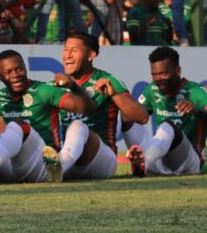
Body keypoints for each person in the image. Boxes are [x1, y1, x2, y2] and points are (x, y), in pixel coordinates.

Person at [0, 50, 95, 183]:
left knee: (18, 126)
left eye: (19, 69)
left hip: (42, 167)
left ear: (25, 68)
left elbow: (86, 108)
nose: (16, 75)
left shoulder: (43, 91)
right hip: (12, 170)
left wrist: (73, 86)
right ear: (0, 76)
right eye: (8, 72)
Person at [57, 31, 150, 178]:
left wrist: (114, 95)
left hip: (101, 162)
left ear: (91, 56)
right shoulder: (56, 85)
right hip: (70, 163)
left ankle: (57, 169)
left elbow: (142, 117)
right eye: (65, 49)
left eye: (74, 50)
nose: (67, 55)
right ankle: (56, 168)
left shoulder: (107, 80)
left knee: (78, 126)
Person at [128, 47, 207, 177]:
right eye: (154, 75)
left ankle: (144, 163)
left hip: (188, 162)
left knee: (167, 125)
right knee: (126, 116)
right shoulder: (151, 90)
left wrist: (197, 111)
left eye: (164, 74)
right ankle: (141, 163)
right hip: (160, 159)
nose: (158, 79)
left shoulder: (195, 91)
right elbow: (136, 118)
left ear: (178, 71)